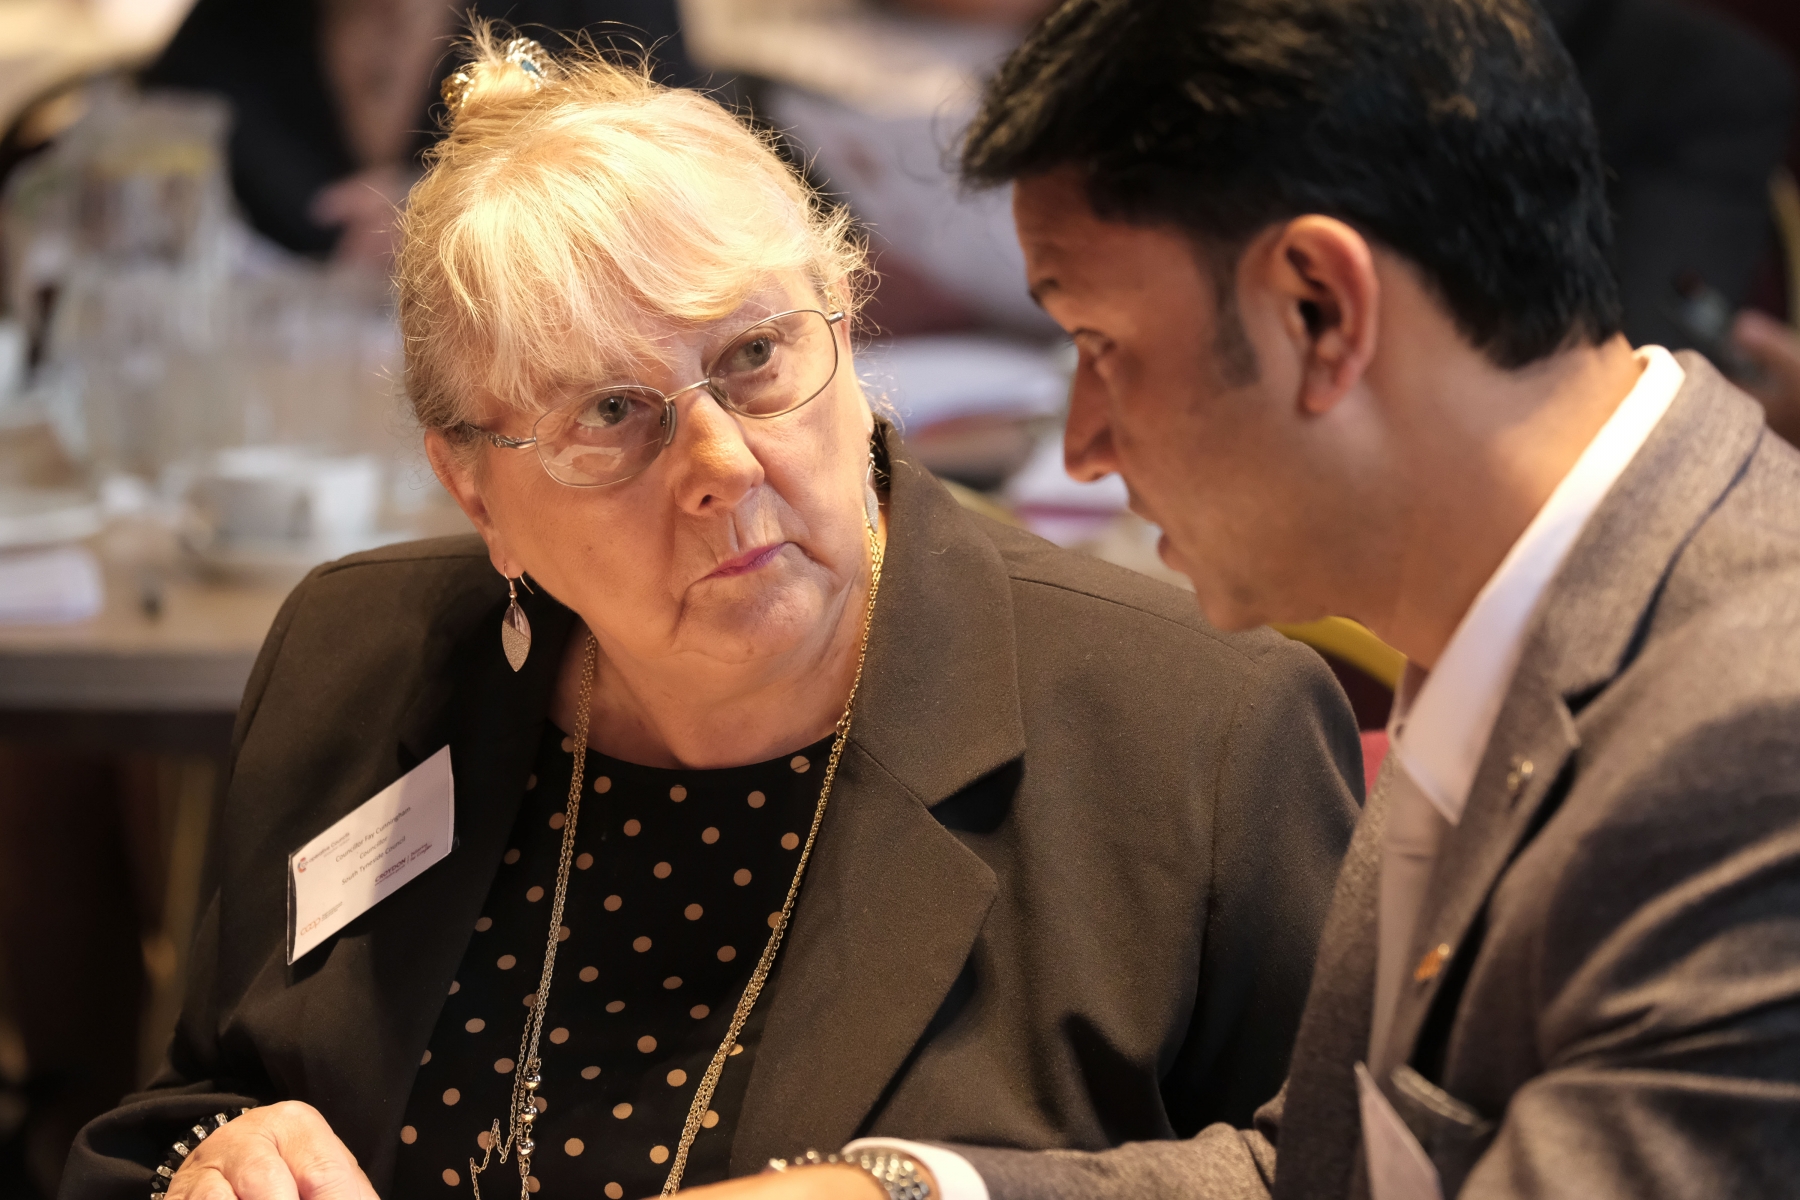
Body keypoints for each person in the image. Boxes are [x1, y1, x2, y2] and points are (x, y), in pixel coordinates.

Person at [60, 29, 1362, 1200]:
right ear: (474, 489)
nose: (722, 465)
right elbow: (193, 1102)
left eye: (754, 358)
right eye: (609, 413)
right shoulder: (354, 662)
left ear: (848, 334)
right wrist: (214, 1158)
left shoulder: (1195, 733)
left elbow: (1350, 1169)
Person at [683, 0, 1800, 1196]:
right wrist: (903, 1190)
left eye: (1104, 346)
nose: (1085, 444)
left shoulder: (1747, 737)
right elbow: (1332, 1168)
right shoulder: (1526, 610)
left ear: (1319, 308)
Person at [142, 0, 698, 264]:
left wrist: (472, 209)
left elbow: (694, 184)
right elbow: (133, 155)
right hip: (290, 416)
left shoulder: (591, 12)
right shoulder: (235, 27)